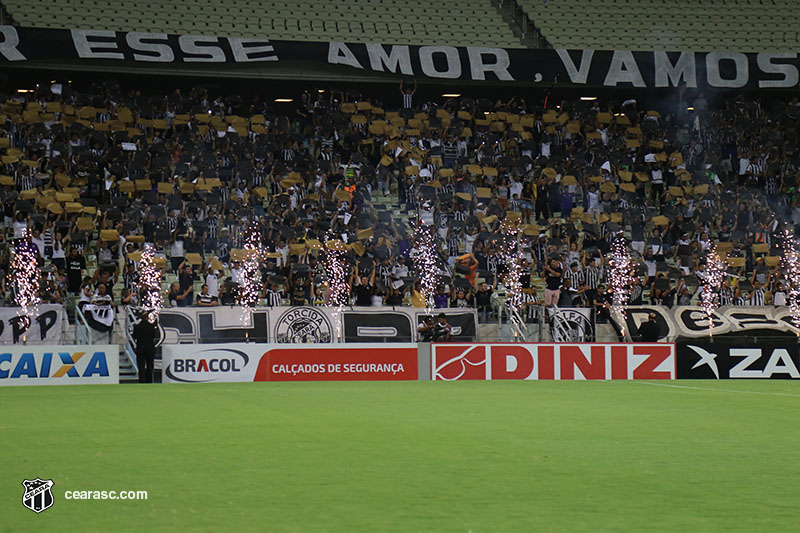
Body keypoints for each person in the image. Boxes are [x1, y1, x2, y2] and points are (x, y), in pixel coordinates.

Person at [132, 312, 159, 383]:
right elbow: (153, 336)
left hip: (140, 347)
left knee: (141, 366)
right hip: (150, 348)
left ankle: (142, 381)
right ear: (147, 318)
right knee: (149, 366)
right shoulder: (151, 326)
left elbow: (134, 337)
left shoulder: (136, 327)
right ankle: (149, 380)